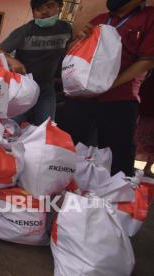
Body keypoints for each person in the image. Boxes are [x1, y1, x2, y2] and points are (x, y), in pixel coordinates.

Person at [62, 0, 154, 176]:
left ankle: (114, 198)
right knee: (69, 150)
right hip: (82, 96)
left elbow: (147, 61)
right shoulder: (100, 19)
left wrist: (109, 85)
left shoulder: (149, 17)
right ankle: (64, 191)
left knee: (117, 158)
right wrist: (79, 40)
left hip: (119, 99)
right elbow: (71, 52)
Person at [0, 0, 72, 125]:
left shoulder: (65, 29)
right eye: (38, 9)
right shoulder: (26, 31)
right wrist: (12, 61)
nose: (44, 12)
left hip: (47, 87)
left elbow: (69, 50)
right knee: (10, 126)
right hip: (24, 87)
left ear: (60, 6)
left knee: (46, 127)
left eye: (49, 6)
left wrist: (81, 40)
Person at [136, 73, 154, 177]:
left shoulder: (148, 82)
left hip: (146, 116)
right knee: (146, 142)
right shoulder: (149, 82)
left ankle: (147, 168)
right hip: (147, 116)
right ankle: (147, 168)